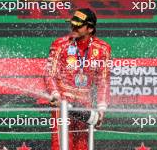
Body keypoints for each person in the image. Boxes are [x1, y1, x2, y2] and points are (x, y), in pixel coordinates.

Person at [45, 8, 111, 150]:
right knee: (61, 146)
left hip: (84, 105)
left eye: (78, 25)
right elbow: (50, 74)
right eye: (72, 24)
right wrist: (55, 94)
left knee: (82, 147)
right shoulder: (60, 44)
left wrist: (101, 108)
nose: (73, 27)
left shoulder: (102, 48)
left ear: (90, 28)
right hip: (62, 104)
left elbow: (103, 81)